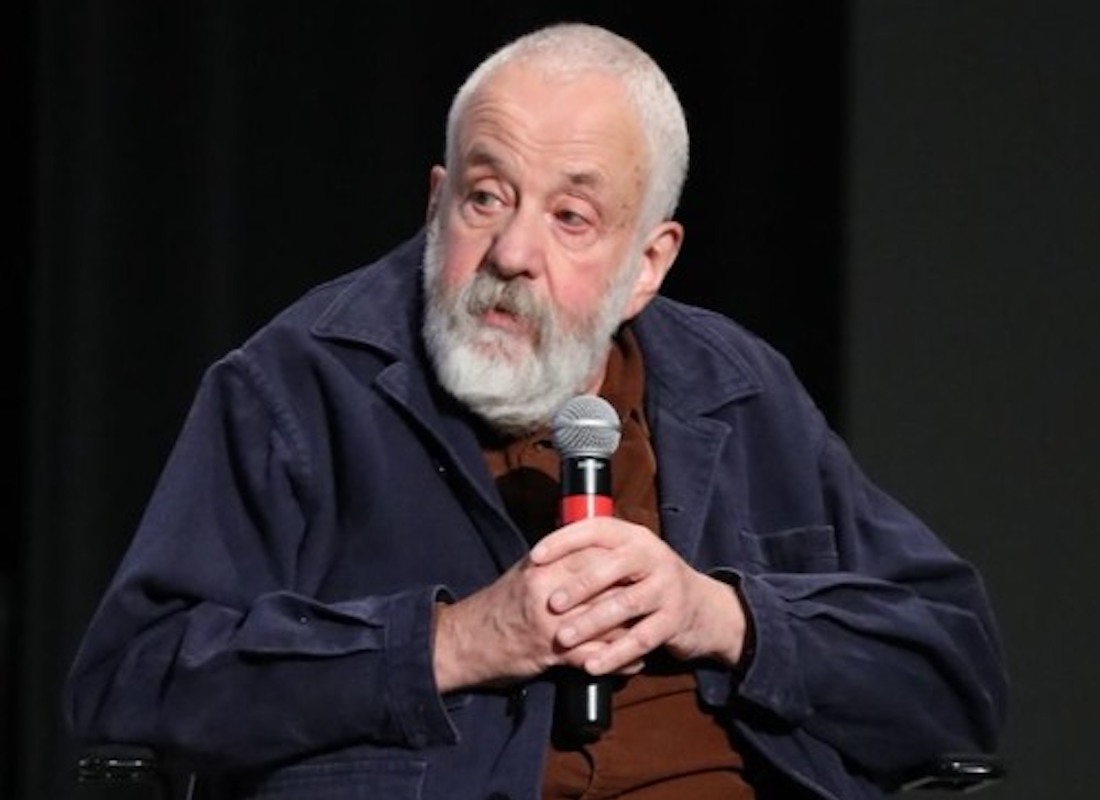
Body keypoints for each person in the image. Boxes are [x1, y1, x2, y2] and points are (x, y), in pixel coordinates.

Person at [64, 21, 1007, 800]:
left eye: (571, 218)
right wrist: (456, 642)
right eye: (486, 197)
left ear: (648, 264)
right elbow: (134, 683)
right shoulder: (299, 387)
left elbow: (952, 672)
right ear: (438, 203)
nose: (512, 251)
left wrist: (723, 616)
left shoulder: (739, 387)